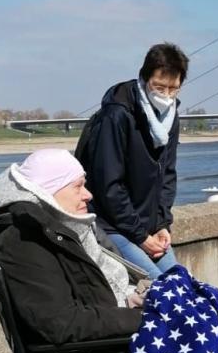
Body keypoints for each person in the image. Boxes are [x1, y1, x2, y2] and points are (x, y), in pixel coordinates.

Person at [0, 149, 144, 347]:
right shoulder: (23, 240)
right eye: (78, 186)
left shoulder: (65, 228)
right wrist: (143, 318)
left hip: (114, 319)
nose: (88, 195)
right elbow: (60, 324)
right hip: (99, 349)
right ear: (48, 191)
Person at [75, 42, 189, 279]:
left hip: (148, 226)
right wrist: (141, 236)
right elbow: (109, 185)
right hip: (110, 225)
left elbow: (167, 174)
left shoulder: (170, 116)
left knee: (181, 282)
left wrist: (162, 223)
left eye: (173, 89)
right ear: (144, 78)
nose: (166, 96)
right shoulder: (117, 114)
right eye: (159, 87)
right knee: (157, 287)